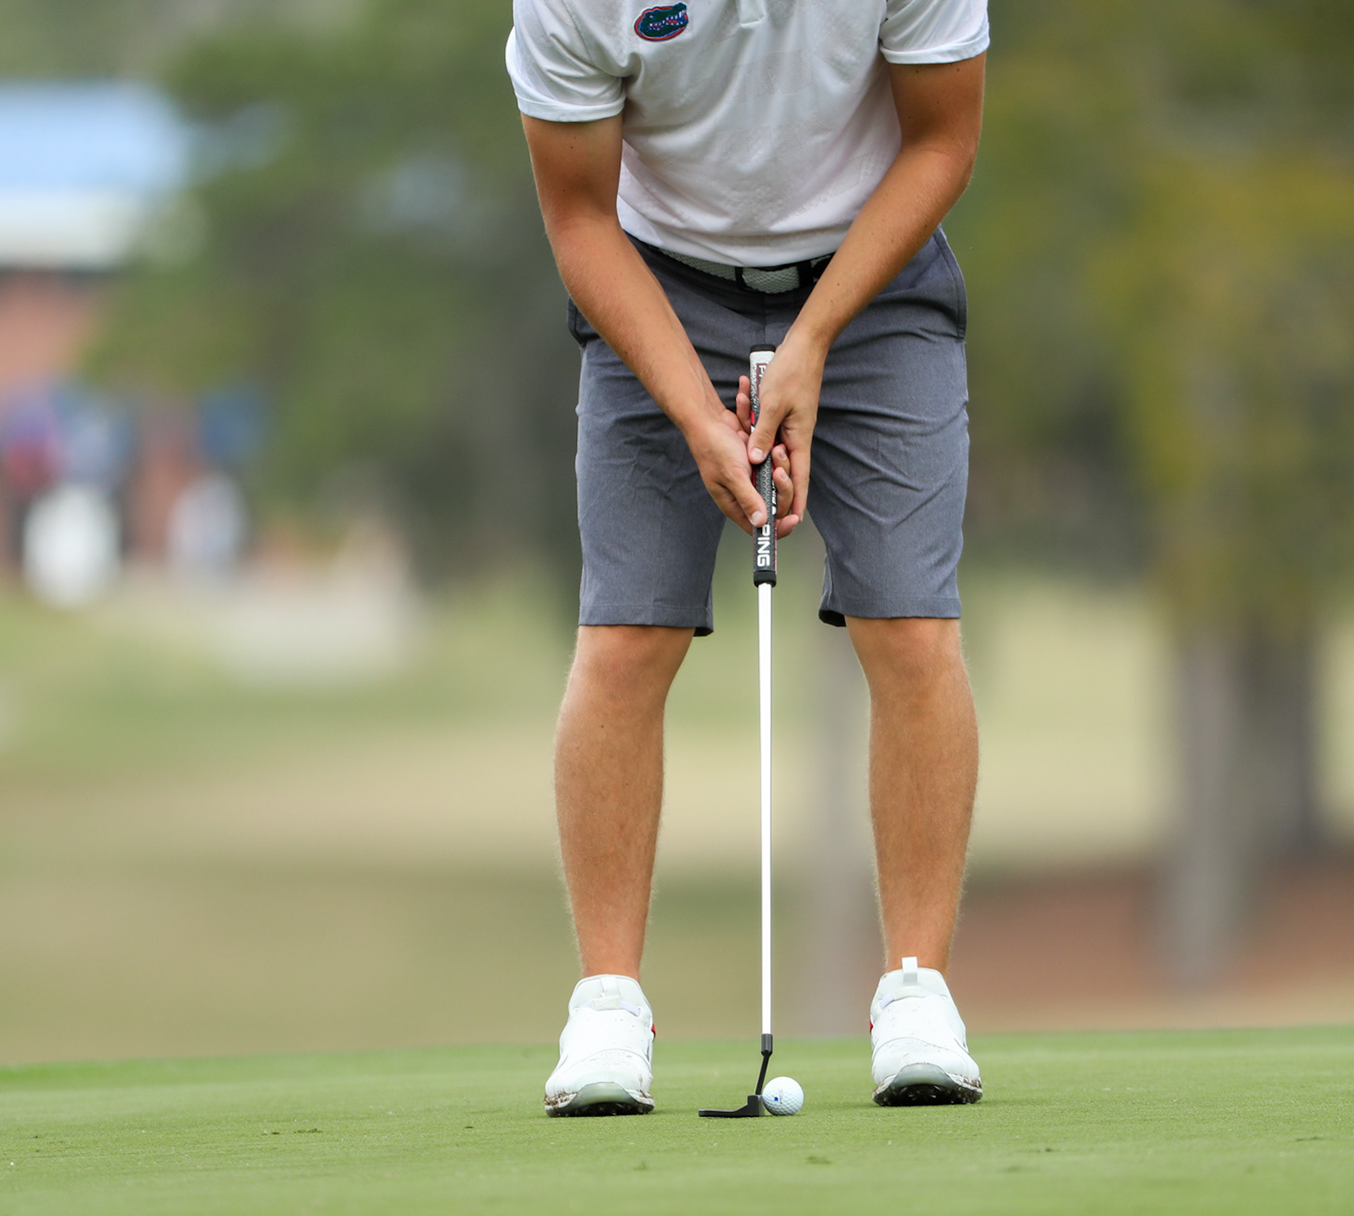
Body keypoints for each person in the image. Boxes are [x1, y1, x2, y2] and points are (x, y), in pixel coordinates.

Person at [508, 0, 988, 1115]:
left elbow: (942, 140)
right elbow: (578, 216)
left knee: (912, 625)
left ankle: (917, 993)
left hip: (874, 283)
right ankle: (607, 1005)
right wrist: (694, 408)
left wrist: (811, 339)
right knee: (626, 637)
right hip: (654, 283)